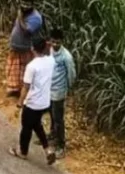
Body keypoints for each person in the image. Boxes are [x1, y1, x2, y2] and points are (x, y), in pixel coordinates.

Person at [11, 38, 57, 165]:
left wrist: (20, 103)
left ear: (32, 49)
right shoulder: (51, 61)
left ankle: (23, 152)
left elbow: (26, 87)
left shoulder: (32, 66)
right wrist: (48, 45)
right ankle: (47, 150)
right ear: (44, 48)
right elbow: (51, 49)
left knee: (26, 127)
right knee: (37, 125)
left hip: (32, 103)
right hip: (45, 102)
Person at [6, 0, 45, 97]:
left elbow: (27, 31)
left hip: (25, 48)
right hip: (16, 46)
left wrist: (19, 17)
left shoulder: (36, 18)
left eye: (27, 4)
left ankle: (25, 93)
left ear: (32, 5)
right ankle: (15, 89)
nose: (24, 6)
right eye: (23, 3)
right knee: (15, 69)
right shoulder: (23, 13)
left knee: (24, 70)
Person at [48, 28, 77, 158]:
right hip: (49, 88)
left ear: (62, 42)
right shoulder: (49, 50)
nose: (55, 45)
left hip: (59, 91)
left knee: (58, 118)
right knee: (51, 114)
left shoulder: (66, 56)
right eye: (53, 42)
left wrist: (68, 88)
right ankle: (52, 135)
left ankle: (61, 145)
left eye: (57, 42)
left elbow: (71, 74)